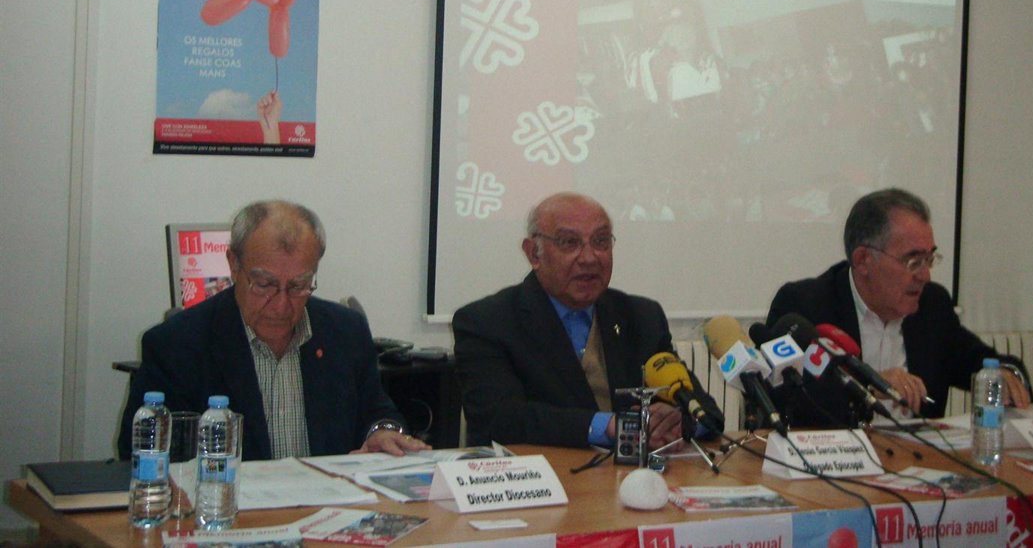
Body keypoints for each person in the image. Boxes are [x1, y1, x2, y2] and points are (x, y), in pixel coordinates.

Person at [119, 200, 428, 461]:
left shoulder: (345, 331)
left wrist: (383, 432)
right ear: (233, 264)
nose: (281, 305)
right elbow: (139, 452)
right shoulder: (177, 344)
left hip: (327, 505)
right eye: (264, 284)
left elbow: (377, 412)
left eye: (298, 285)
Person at [766, 188, 1031, 427]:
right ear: (863, 260)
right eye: (913, 262)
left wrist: (1006, 375)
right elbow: (780, 397)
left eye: (929, 259)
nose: (925, 275)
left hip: (917, 459)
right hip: (835, 460)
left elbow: (986, 362)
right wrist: (870, 385)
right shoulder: (804, 307)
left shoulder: (932, 306)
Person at [452, 191, 695, 449]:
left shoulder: (642, 316)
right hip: (547, 471)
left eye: (600, 241)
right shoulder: (486, 322)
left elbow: (701, 409)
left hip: (637, 472)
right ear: (534, 253)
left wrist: (677, 421)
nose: (589, 258)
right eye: (569, 242)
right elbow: (499, 420)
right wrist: (610, 426)